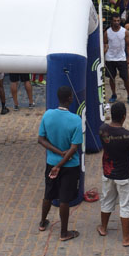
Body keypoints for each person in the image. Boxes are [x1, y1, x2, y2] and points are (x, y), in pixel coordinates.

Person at [37, 86, 83, 241]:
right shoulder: (76, 120)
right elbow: (74, 147)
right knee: (64, 199)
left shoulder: (47, 115)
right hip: (69, 166)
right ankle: (64, 232)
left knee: (48, 194)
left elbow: (41, 139)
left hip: (51, 162)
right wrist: (61, 162)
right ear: (70, 98)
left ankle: (43, 222)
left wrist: (56, 155)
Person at [97, 102, 129, 247]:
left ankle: (103, 227)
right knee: (126, 204)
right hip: (123, 175)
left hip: (108, 172)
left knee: (107, 199)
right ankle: (126, 237)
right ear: (124, 117)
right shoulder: (128, 135)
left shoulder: (102, 129)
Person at [105, 14, 129, 105]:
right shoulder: (107, 32)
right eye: (115, 20)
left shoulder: (124, 31)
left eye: (118, 20)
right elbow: (105, 44)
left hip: (121, 58)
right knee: (111, 78)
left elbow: (128, 45)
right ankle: (114, 94)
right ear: (111, 21)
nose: (116, 22)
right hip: (110, 58)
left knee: (126, 78)